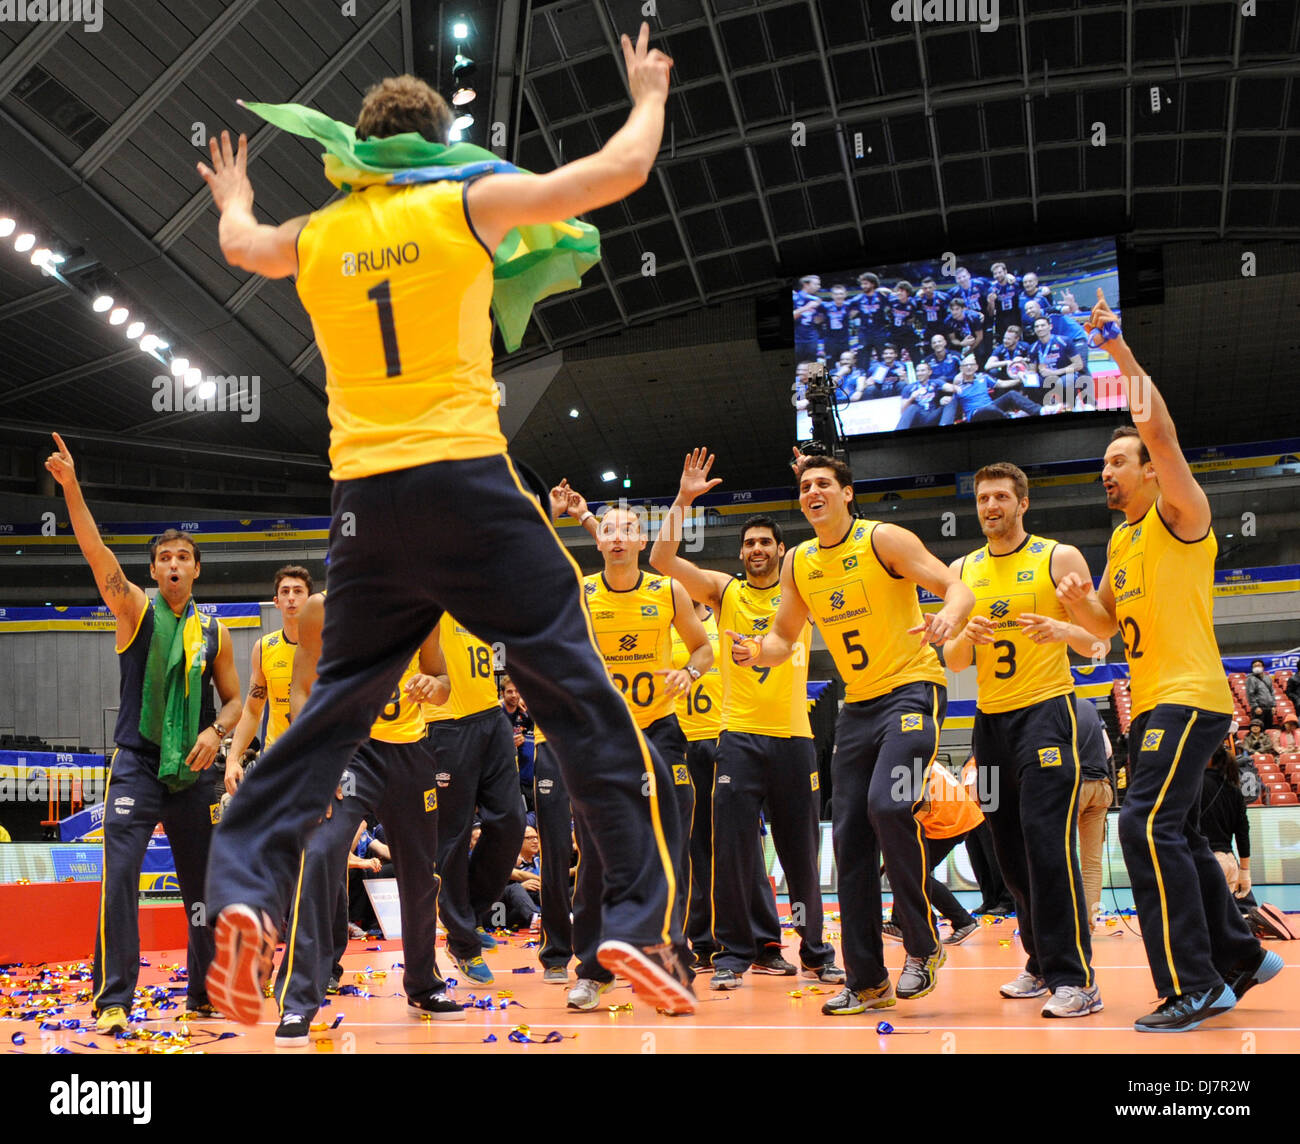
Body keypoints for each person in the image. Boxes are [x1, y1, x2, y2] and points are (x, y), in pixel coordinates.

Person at [198, 22, 696, 1022]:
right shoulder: (462, 200)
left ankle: (243, 890)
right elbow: (613, 172)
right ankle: (632, 921)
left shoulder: (320, 234)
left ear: (363, 148)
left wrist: (234, 192)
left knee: (328, 709)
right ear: (437, 141)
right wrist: (646, 90)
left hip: (363, 506)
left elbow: (241, 245)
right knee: (577, 687)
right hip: (465, 482)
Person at [1058, 289, 1281, 1031]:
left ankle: (1197, 982)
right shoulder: (1121, 544)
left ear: (1152, 471)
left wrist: (1115, 352)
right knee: (1175, 830)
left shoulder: (1181, 513)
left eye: (1122, 459)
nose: (1110, 471)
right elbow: (1107, 627)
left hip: (1190, 695)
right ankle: (1242, 957)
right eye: (1105, 463)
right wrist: (1067, 611)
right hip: (1154, 697)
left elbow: (1160, 427)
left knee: (1141, 827)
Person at [737, 453, 973, 1015]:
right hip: (858, 708)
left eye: (823, 483)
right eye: (804, 485)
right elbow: (783, 639)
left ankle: (921, 945)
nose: (812, 491)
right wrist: (754, 654)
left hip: (914, 691)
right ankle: (867, 981)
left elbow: (954, 587)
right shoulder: (798, 563)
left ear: (846, 493)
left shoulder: (883, 539)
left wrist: (947, 617)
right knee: (849, 842)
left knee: (888, 805)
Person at [45, 434, 242, 1032]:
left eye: (185, 556)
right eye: (165, 558)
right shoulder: (132, 607)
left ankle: (203, 992)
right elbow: (93, 549)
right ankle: (113, 999)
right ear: (153, 570)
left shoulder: (218, 632)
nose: (175, 564)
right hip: (136, 764)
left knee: (202, 888)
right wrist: (72, 489)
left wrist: (216, 730)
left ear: (197, 568)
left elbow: (236, 704)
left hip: (194, 773)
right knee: (122, 877)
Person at [651, 450, 841, 993]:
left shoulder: (801, 587)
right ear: (741, 553)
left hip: (794, 741)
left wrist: (811, 478)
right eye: (750, 543)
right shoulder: (723, 590)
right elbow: (663, 560)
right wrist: (684, 500)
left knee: (801, 858)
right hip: (738, 739)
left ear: (782, 552)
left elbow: (830, 525)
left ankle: (815, 950)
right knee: (733, 853)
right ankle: (736, 952)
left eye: (766, 543)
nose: (757, 549)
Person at [945, 461, 1104, 1018]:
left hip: (1046, 715)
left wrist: (1065, 628)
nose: (991, 507)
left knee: (1046, 845)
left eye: (1001, 498)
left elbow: (1099, 642)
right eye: (983, 498)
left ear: (1023, 504)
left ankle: (1077, 978)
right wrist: (966, 631)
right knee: (1008, 853)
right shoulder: (962, 569)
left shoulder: (1058, 557)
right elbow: (954, 659)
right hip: (989, 726)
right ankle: (1040, 963)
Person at [270, 592, 461, 1045]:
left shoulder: (423, 606)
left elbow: (440, 678)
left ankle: (423, 984)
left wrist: (435, 687)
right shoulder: (322, 607)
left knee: (420, 873)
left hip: (411, 754)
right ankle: (299, 1001)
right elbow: (301, 688)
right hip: (350, 753)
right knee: (318, 856)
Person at [549, 493, 710, 1011]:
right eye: (608, 529)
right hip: (600, 738)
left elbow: (702, 647)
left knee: (669, 849)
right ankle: (593, 970)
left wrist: (691, 671)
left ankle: (670, 961)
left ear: (641, 540)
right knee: (595, 855)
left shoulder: (668, 591)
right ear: (596, 538)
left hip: (660, 732)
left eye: (627, 530)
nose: (617, 537)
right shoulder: (579, 592)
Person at [670, 600, 791, 973]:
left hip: (728, 740)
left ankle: (764, 942)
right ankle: (704, 941)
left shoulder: (728, 621)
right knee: (693, 848)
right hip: (681, 744)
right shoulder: (667, 626)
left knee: (744, 843)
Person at [426, 612, 526, 986]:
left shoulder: (480, 593)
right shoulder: (429, 591)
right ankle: (463, 942)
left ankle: (471, 912)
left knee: (511, 822)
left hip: (492, 718)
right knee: (452, 836)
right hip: (445, 724)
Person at [225, 565, 313, 795]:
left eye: (298, 591)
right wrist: (233, 759)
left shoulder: (330, 646)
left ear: (310, 600)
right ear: (276, 601)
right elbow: (253, 711)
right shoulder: (264, 648)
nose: (291, 598)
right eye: (285, 592)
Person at [1200, 746, 1255, 917]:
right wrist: (1244, 871)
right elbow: (1243, 833)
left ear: (1209, 759)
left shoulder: (1194, 785)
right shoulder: (1235, 790)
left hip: (1204, 861)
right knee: (1228, 919)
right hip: (1230, 863)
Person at [500, 675, 535, 808]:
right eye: (509, 691)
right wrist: (508, 744)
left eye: (517, 691)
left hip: (527, 778)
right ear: (502, 693)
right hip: (506, 778)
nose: (514, 695)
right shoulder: (497, 713)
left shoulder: (526, 714)